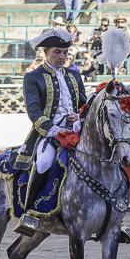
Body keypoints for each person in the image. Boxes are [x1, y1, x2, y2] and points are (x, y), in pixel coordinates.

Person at [11, 28, 86, 236]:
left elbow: (83, 104)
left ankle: (116, 214)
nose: (62, 57)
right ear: (44, 52)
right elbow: (34, 112)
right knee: (43, 162)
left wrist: (78, 116)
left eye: (65, 53)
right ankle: (29, 213)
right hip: (48, 133)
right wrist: (53, 130)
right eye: (57, 52)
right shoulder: (33, 77)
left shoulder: (74, 75)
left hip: (77, 130)